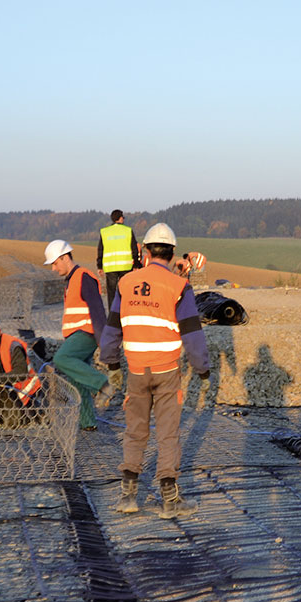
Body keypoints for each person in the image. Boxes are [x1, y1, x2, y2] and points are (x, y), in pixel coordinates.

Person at [99, 222, 210, 518]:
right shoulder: (179, 287)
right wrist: (202, 369)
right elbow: (192, 334)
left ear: (145, 251)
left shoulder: (125, 284)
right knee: (167, 434)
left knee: (135, 432)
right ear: (172, 254)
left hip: (136, 370)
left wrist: (111, 362)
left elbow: (111, 329)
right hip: (166, 372)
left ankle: (128, 497)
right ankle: (170, 501)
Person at [44, 239, 116, 431]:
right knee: (78, 380)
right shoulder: (71, 280)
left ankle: (102, 384)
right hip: (77, 335)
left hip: (86, 334)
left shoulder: (84, 277)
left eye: (55, 263)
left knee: (62, 358)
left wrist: (103, 341)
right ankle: (88, 423)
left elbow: (97, 310)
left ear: (65, 257)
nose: (53, 268)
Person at [96, 209, 140, 311]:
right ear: (120, 218)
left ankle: (113, 315)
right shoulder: (128, 230)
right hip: (126, 266)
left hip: (110, 267)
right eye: (123, 217)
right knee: (126, 290)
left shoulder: (105, 232)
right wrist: (136, 265)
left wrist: (99, 266)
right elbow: (134, 249)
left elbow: (100, 250)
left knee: (111, 292)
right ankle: (126, 310)